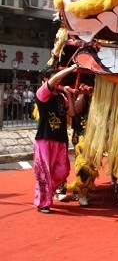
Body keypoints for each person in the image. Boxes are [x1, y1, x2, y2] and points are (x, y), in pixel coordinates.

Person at [33, 64, 77, 213]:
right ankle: (43, 202)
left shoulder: (61, 97)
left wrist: (69, 94)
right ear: (46, 79)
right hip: (45, 138)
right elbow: (55, 80)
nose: (58, 80)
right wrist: (71, 68)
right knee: (44, 172)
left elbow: (71, 112)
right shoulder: (42, 93)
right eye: (54, 77)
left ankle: (46, 191)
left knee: (63, 170)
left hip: (60, 139)